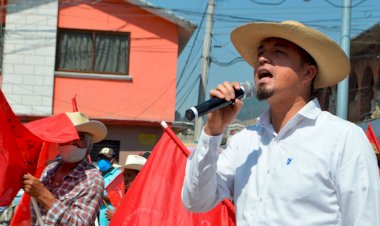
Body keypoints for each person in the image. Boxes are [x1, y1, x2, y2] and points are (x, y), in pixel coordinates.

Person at [182, 20, 380, 226]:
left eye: (279, 52)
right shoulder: (243, 142)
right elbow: (196, 202)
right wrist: (213, 132)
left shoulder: (344, 138)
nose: (262, 59)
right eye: (260, 52)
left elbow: (365, 219)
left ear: (308, 73)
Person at [21, 112, 107, 225]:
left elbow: (80, 223)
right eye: (67, 137)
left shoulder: (93, 179)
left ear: (89, 144)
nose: (72, 143)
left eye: (79, 138)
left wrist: (42, 194)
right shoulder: (50, 169)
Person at [105, 154, 147, 221]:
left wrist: (116, 217)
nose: (125, 179)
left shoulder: (144, 197)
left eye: (129, 175)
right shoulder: (127, 195)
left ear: (139, 177)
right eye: (124, 175)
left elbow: (141, 220)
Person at [97, 147, 122, 226]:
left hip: (109, 217)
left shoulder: (119, 175)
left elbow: (121, 195)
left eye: (106, 158)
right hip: (95, 218)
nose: (102, 160)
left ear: (113, 160)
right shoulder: (95, 174)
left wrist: (101, 197)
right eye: (101, 157)